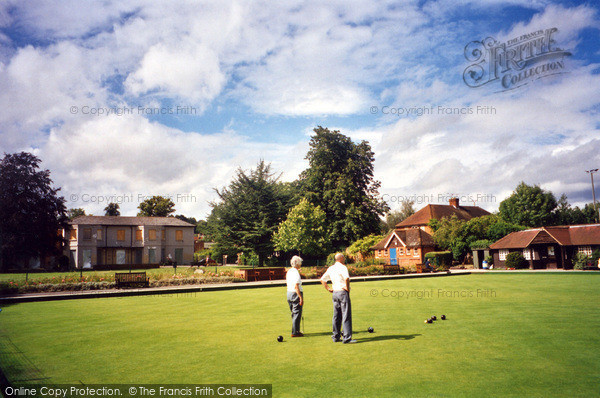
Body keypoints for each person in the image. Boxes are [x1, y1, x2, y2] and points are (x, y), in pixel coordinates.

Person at [320, 253, 355, 344]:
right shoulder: (343, 267)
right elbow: (347, 278)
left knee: (336, 315)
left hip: (335, 292)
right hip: (342, 292)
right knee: (346, 314)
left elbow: (322, 279)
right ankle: (347, 338)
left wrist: (328, 288)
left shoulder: (331, 268)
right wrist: (347, 288)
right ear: (342, 258)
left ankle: (335, 336)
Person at [286, 255, 304, 337]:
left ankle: (296, 330)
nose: (300, 264)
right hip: (295, 293)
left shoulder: (289, 271)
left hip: (289, 293)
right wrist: (300, 297)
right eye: (300, 263)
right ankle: (295, 332)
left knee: (294, 313)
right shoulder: (295, 272)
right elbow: (296, 286)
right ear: (297, 263)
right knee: (296, 313)